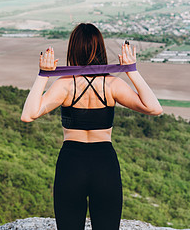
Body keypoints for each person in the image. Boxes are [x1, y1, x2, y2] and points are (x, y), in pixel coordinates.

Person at [21, 23, 163, 230]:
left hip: (71, 164)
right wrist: (131, 70)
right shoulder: (112, 85)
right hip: (104, 164)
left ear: (73, 49)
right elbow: (154, 108)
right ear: (101, 49)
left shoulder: (65, 85)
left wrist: (43, 74)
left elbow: (28, 115)